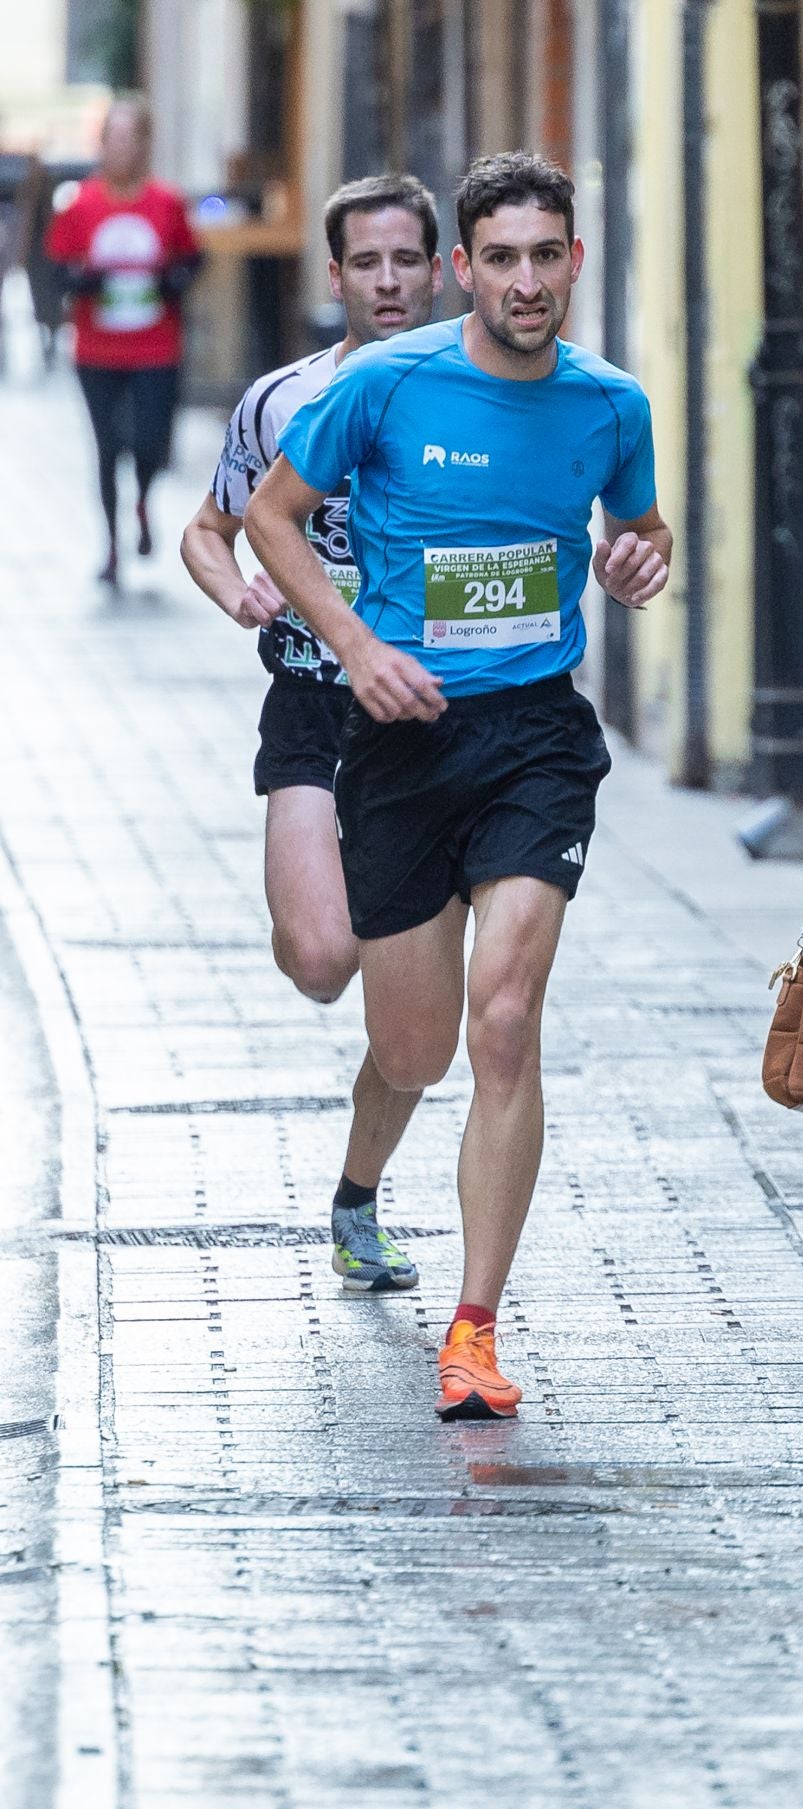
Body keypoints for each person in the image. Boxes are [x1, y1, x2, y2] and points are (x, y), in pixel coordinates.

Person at [245, 151, 670, 1420]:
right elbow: (272, 517)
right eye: (501, 257)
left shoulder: (610, 405)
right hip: (401, 745)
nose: (526, 280)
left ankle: (474, 1334)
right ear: (462, 269)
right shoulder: (384, 384)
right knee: (414, 1045)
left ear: (574, 263)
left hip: (536, 735)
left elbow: (633, 532)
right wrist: (360, 648)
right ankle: (363, 1185)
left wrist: (636, 558)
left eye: (547, 255)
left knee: (502, 1023)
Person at [181, 175, 444, 1293]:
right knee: (322, 958)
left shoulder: (481, 400)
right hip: (310, 700)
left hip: (437, 719)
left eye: (405, 261)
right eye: (365, 264)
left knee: (409, 1009)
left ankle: (357, 1197)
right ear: (333, 277)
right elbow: (209, 529)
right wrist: (237, 588)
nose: (387, 281)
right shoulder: (281, 404)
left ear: (440, 268)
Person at [45, 98, 201, 586]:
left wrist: (171, 280)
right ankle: (112, 548)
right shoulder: (81, 204)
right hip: (98, 351)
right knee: (107, 446)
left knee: (152, 441)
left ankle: (144, 498)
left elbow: (192, 260)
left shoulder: (167, 202)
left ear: (145, 145)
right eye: (110, 138)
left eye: (128, 138)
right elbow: (57, 270)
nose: (118, 148)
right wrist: (85, 282)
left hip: (157, 347)